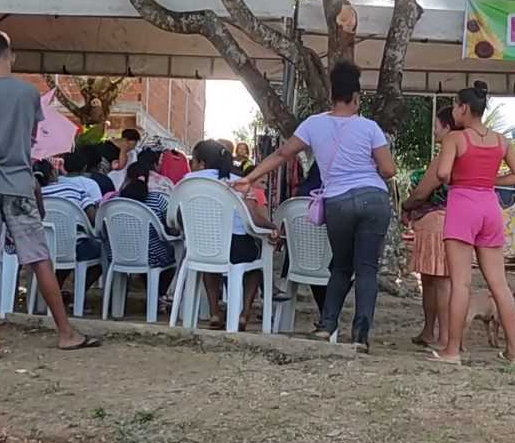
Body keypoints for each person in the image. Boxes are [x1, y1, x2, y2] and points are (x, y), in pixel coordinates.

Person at [0, 30, 95, 357]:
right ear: (11, 56)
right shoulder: (29, 94)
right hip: (19, 182)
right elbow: (31, 137)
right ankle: (65, 332)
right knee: (38, 257)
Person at [236, 61, 396, 348]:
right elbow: (388, 170)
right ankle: (360, 335)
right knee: (367, 269)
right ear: (357, 97)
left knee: (340, 267)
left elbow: (283, 154)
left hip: (337, 202)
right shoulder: (369, 127)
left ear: (332, 95)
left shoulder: (313, 124)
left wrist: (250, 178)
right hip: (373, 199)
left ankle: (326, 325)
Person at [426, 81, 515, 365]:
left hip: (462, 207)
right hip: (490, 207)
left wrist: (459, 177)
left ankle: (452, 351)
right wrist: (491, 180)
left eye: (456, 106)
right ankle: (514, 352)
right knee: (500, 284)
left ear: (464, 108)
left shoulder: (454, 140)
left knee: (461, 283)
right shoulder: (501, 141)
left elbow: (443, 173)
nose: (454, 111)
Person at [187, 140, 272, 330]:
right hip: (237, 247)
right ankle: (244, 313)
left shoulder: (188, 181)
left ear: (201, 163)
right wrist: (272, 227)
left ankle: (215, 311)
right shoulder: (239, 181)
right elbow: (254, 218)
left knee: (210, 262)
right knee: (255, 264)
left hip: (201, 247)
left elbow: (174, 218)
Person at [401, 106, 456, 350]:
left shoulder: (445, 157)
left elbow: (423, 191)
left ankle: (442, 336)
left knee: (439, 281)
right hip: (455, 221)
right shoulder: (470, 155)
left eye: (436, 127)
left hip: (435, 222)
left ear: (447, 127)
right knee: (436, 280)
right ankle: (432, 332)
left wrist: (406, 205)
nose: (434, 132)